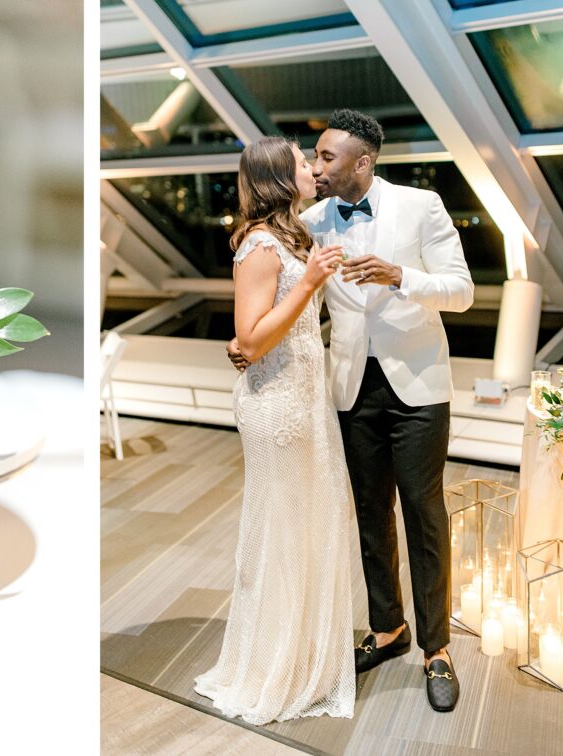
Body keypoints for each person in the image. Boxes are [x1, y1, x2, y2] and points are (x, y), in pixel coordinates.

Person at [227, 109, 474, 712]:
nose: (316, 167)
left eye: (327, 159)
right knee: (368, 512)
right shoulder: (306, 223)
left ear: (363, 162)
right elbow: (269, 281)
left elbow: (463, 291)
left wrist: (401, 277)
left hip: (418, 385)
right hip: (345, 386)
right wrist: (245, 340)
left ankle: (436, 647)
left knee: (424, 512)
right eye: (312, 158)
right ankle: (388, 628)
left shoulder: (423, 206)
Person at [193, 135, 355, 725]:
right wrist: (309, 282)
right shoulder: (260, 245)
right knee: (282, 532)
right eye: (302, 164)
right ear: (280, 179)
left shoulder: (295, 234)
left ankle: (302, 654)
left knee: (310, 526)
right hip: (277, 406)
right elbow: (254, 340)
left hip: (308, 402)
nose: (313, 169)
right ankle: (270, 666)